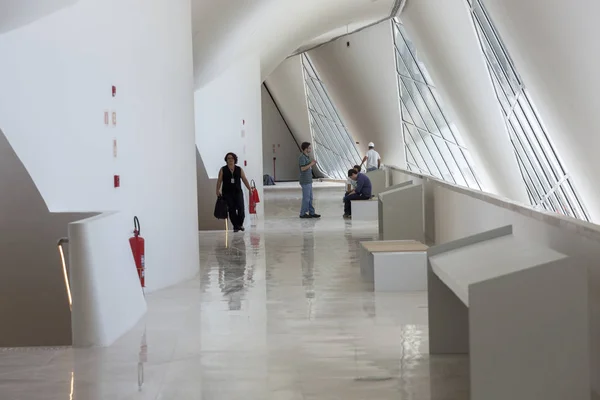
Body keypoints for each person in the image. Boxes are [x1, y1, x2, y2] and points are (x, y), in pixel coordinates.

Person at [216, 152, 253, 232]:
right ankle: (236, 226)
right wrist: (217, 190)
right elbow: (219, 181)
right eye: (228, 158)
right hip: (227, 193)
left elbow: (244, 179)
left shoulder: (239, 169)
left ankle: (240, 224)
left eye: (232, 158)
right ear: (226, 160)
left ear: (235, 159)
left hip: (238, 192)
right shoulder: (223, 169)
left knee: (241, 208)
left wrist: (249, 189)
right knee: (231, 209)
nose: (230, 160)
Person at [298, 142, 321, 219]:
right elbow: (302, 168)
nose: (310, 149)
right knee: (306, 198)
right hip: (305, 181)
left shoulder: (307, 156)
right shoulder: (302, 157)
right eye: (309, 148)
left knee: (310, 198)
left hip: (309, 180)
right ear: (305, 149)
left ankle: (311, 212)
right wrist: (311, 164)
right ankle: (303, 213)